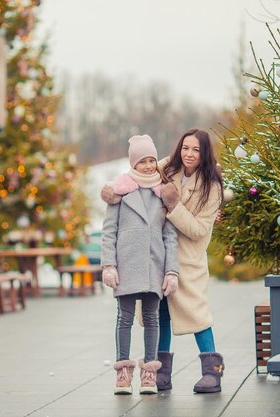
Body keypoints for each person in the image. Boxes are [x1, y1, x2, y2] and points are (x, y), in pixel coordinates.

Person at [102, 128, 224, 393]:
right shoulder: (168, 168)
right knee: (160, 313)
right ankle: (161, 372)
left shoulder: (212, 187)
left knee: (197, 314)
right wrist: (112, 191)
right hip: (158, 255)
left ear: (204, 153)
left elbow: (198, 230)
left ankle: (212, 372)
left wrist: (173, 205)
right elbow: (139, 171)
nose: (189, 154)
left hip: (188, 258)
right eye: (185, 148)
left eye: (196, 149)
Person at [101, 134, 180, 395]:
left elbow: (169, 235)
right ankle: (123, 373)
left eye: (151, 160)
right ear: (133, 164)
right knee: (124, 318)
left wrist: (171, 271)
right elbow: (109, 231)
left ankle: (149, 374)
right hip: (126, 267)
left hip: (153, 266)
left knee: (151, 318)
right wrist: (109, 265)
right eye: (142, 161)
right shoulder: (120, 192)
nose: (147, 166)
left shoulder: (163, 193)